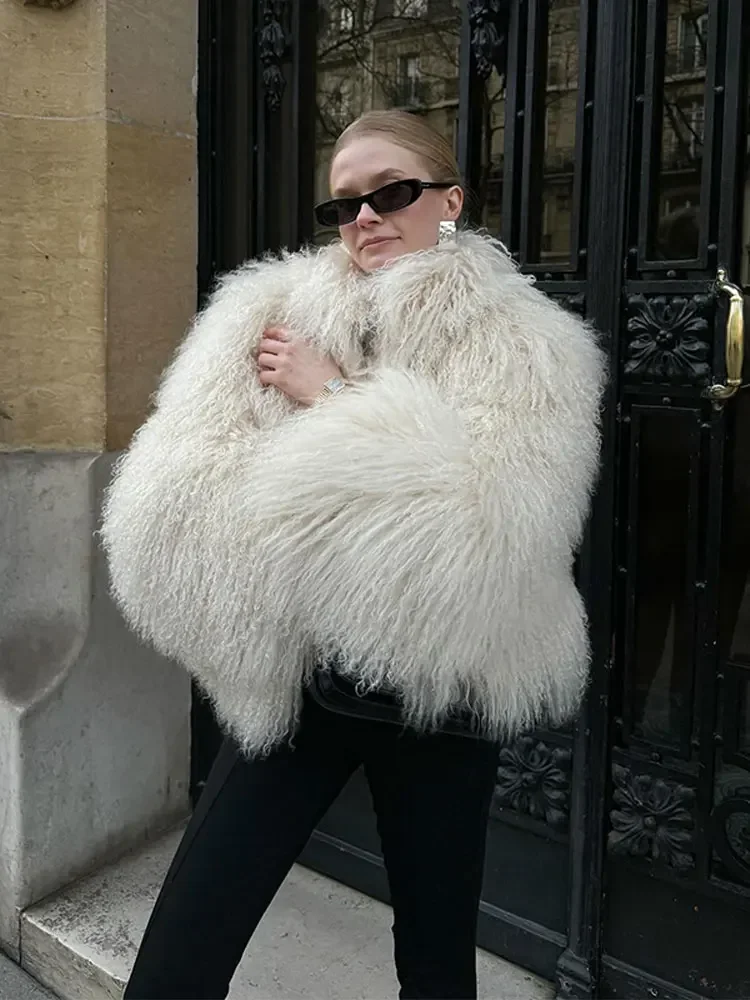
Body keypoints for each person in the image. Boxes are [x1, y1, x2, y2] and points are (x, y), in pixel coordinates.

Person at [102, 109, 605, 1000]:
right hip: (296, 672)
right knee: (189, 935)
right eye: (345, 205)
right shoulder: (271, 312)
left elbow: (492, 534)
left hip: (450, 680)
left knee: (437, 950)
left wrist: (335, 399)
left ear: (449, 202)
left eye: (393, 193)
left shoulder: (532, 347)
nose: (366, 217)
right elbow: (185, 488)